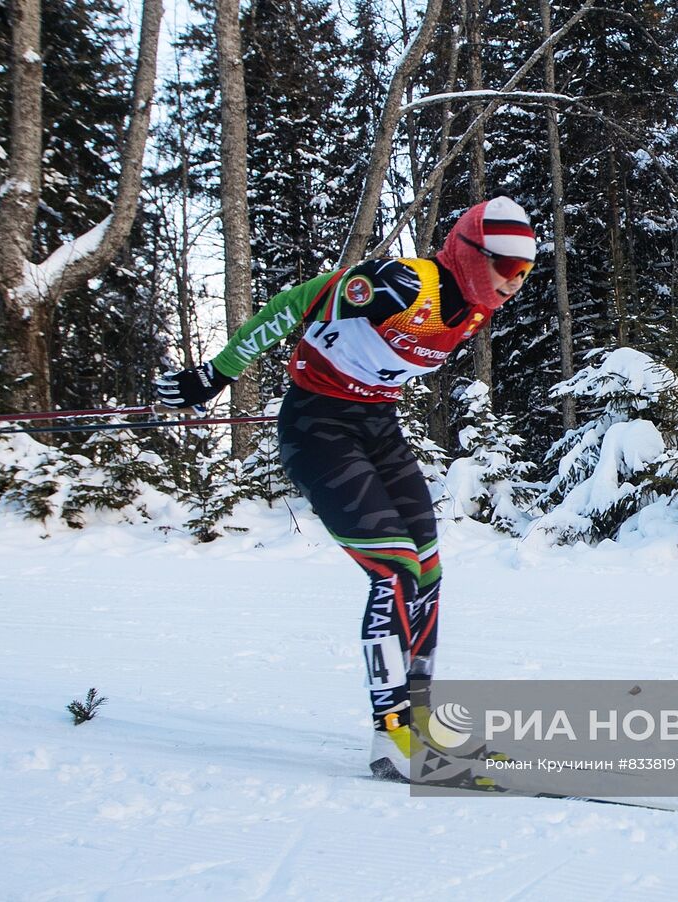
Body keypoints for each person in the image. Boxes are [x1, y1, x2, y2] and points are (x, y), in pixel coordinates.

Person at [155, 197, 536, 783]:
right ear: (468, 252)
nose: (516, 282)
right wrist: (218, 374)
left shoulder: (476, 311)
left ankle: (424, 722)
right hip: (318, 428)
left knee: (427, 568)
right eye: (508, 266)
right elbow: (296, 304)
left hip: (375, 425)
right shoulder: (403, 284)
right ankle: (394, 738)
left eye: (527, 270)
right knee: (393, 570)